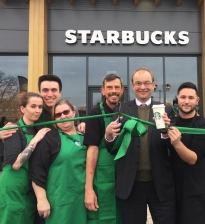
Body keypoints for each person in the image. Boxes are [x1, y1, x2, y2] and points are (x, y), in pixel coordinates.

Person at [105, 67, 176, 224]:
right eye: (138, 83)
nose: (142, 87)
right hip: (131, 184)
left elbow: (172, 146)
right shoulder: (121, 109)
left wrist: (165, 132)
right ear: (132, 86)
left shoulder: (166, 110)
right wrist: (109, 135)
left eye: (146, 83)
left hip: (160, 183)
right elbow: (113, 148)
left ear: (153, 85)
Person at [0, 92, 51, 224]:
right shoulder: (13, 130)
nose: (37, 110)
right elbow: (16, 164)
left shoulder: (37, 128)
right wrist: (35, 140)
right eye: (33, 106)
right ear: (22, 108)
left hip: (28, 191)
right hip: (12, 189)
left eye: (40, 107)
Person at [29, 99, 87, 223]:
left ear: (73, 112)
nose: (63, 117)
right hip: (59, 202)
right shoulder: (49, 139)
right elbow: (37, 171)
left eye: (66, 112)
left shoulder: (86, 136)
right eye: (58, 115)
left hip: (83, 200)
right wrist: (41, 199)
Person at [165, 82, 205, 224]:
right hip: (174, 190)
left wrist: (177, 143)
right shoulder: (172, 122)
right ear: (177, 99)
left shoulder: (203, 125)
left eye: (191, 98)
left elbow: (192, 159)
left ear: (197, 100)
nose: (186, 101)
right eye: (183, 97)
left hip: (196, 191)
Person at [84, 73, 123, 223]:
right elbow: (92, 150)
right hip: (102, 177)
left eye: (117, 87)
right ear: (103, 90)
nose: (113, 91)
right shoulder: (95, 114)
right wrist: (89, 189)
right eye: (109, 87)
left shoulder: (127, 111)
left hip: (123, 177)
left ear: (122, 90)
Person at [0, 74, 85, 140]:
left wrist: (82, 126)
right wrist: (4, 133)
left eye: (54, 90)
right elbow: (21, 132)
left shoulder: (70, 110)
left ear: (60, 93)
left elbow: (74, 131)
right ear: (40, 92)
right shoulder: (34, 112)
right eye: (45, 90)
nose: (50, 94)